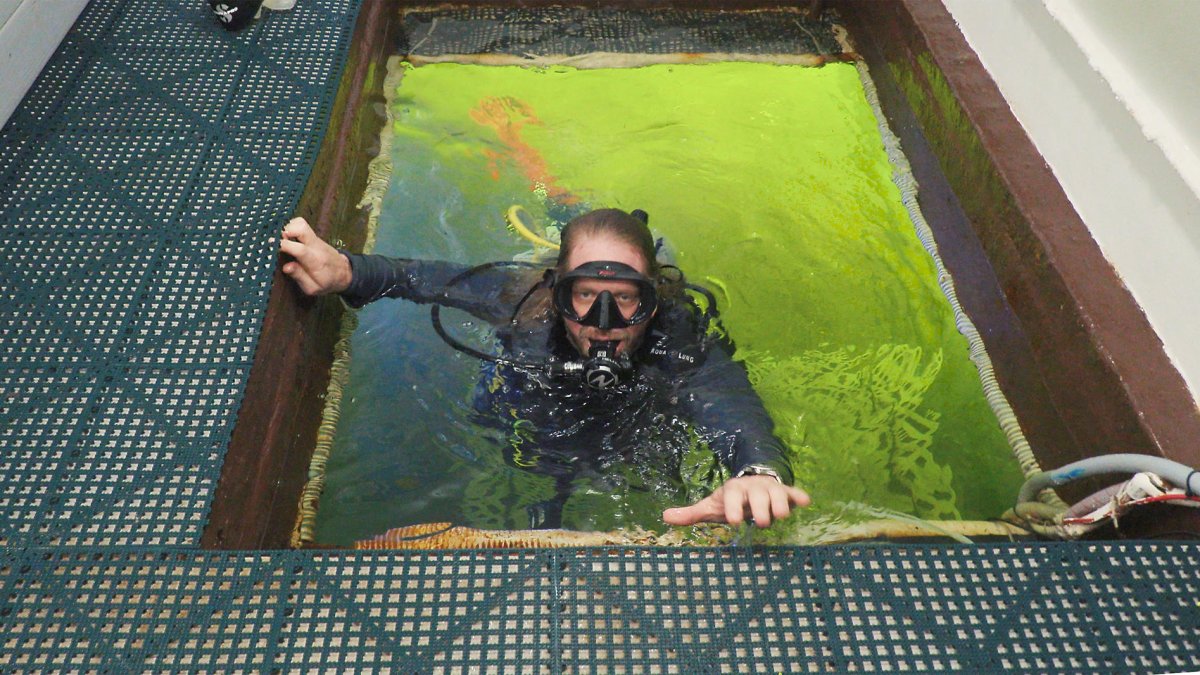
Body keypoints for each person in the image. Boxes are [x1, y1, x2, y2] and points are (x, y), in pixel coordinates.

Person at [280, 208, 810, 530]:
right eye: (584, 295)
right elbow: (424, 277)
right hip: (538, 416)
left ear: (654, 298)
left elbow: (731, 402)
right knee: (535, 461)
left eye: (625, 299)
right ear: (557, 292)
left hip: (635, 423)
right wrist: (345, 270)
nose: (603, 323)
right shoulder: (522, 302)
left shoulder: (677, 337)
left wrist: (756, 471)